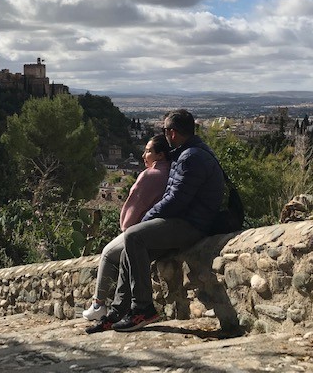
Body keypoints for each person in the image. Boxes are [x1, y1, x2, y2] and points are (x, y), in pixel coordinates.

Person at [87, 109, 225, 334]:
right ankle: (119, 312)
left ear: (171, 133)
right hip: (187, 221)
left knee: (134, 236)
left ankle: (143, 308)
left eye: (165, 130)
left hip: (192, 225)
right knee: (128, 253)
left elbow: (176, 200)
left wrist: (147, 219)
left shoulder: (191, 157)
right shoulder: (189, 153)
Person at [82, 135, 171, 321]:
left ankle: (98, 304)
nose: (143, 155)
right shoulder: (172, 172)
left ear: (160, 155)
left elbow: (133, 206)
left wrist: (126, 228)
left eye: (148, 151)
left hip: (141, 230)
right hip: (164, 230)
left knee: (107, 253)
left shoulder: (149, 175)